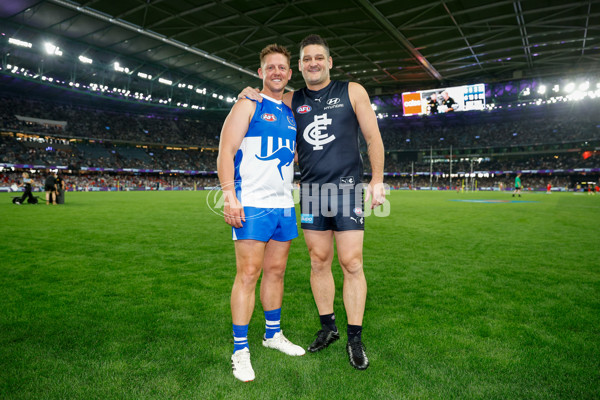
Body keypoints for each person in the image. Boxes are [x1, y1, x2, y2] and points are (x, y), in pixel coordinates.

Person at [239, 34, 386, 370]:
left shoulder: (352, 91)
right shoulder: (292, 100)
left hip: (347, 189)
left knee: (351, 263)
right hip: (312, 192)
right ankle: (328, 328)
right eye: (307, 59)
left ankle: (354, 337)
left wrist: (377, 180)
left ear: (330, 62)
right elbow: (263, 102)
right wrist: (248, 93)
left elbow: (373, 137)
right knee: (319, 260)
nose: (313, 64)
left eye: (319, 58)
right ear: (300, 66)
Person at [217, 43, 305, 383]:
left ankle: (273, 335)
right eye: (271, 67)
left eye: (282, 67)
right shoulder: (247, 103)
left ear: (289, 72)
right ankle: (240, 350)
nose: (277, 72)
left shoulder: (289, 110)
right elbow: (226, 151)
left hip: (284, 203)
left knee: (277, 271)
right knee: (248, 273)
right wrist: (229, 196)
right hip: (251, 201)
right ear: (260, 72)